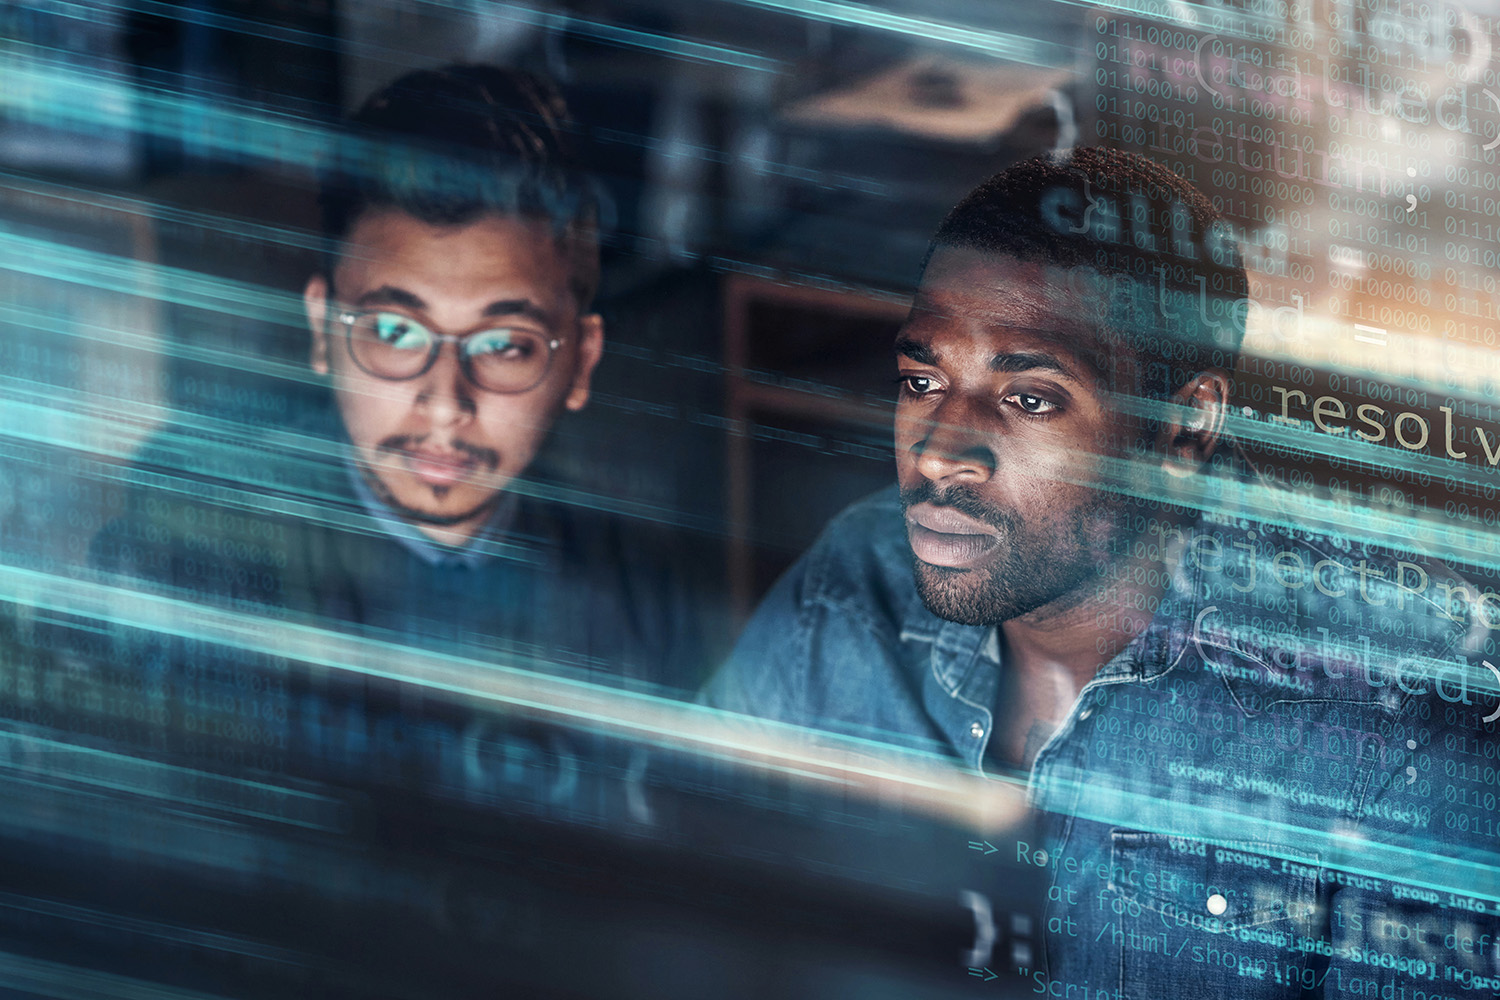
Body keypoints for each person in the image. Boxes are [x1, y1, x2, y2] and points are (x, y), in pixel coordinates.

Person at [705, 147, 1500, 997]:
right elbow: (678, 896)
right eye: (923, 378)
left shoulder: (1400, 717)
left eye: (1030, 399)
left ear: (1184, 427)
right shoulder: (855, 583)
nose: (939, 452)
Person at [91, 64, 714, 695]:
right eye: (394, 332)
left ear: (580, 362)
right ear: (324, 331)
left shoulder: (639, 587)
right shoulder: (206, 530)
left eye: (504, 346)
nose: (444, 406)